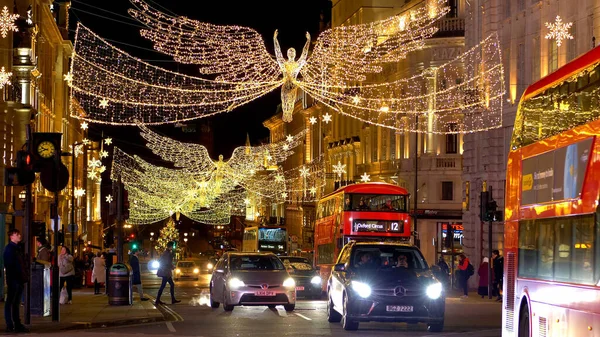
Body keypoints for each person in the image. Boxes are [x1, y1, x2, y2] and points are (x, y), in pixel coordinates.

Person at [3, 229, 29, 333]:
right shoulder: (10, 249)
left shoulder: (16, 248)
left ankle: (16, 324)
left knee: (15, 303)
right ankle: (10, 324)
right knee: (10, 302)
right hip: (14, 280)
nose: (19, 235)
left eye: (19, 234)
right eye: (17, 234)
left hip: (18, 279)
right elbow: (10, 265)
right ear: (11, 237)